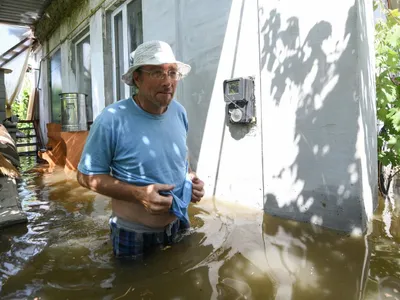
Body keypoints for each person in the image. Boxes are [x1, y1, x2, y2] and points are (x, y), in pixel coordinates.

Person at [76, 40, 205, 259]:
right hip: (133, 233)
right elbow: (85, 176)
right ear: (137, 78)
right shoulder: (111, 119)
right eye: (157, 73)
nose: (168, 82)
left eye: (172, 73)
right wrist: (138, 194)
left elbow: (181, 156)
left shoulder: (179, 112)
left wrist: (190, 177)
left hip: (179, 223)